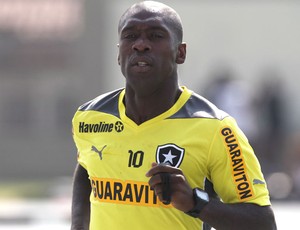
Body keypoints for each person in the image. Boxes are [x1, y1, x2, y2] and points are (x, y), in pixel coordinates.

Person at [70, 1, 277, 230]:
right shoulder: (89, 118)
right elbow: (86, 169)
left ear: (180, 52)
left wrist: (196, 204)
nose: (140, 45)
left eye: (155, 35)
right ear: (119, 53)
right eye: (130, 36)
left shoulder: (216, 129)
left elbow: (263, 223)